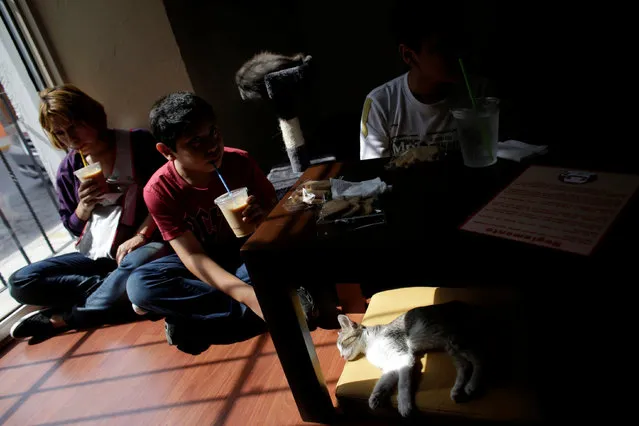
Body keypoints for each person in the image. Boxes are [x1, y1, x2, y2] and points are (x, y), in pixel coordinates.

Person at [126, 92, 318, 355]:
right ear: (167, 151)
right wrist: (247, 296)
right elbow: (192, 256)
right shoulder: (159, 191)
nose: (212, 146)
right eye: (195, 141)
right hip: (203, 263)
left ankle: (192, 326)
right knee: (141, 285)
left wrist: (264, 217)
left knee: (283, 259)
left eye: (213, 132)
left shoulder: (239, 161)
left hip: (245, 254)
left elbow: (278, 217)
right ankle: (280, 304)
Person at [8, 84, 167, 340]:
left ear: (92, 117)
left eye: (73, 127)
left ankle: (64, 318)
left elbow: (168, 197)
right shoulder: (68, 169)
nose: (69, 139)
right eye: (59, 133)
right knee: (20, 281)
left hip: (146, 244)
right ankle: (115, 290)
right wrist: (83, 207)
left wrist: (142, 235)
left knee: (135, 264)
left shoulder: (137, 143)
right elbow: (71, 226)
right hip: (98, 256)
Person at [360, 1, 491, 160]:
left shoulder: (479, 94)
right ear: (408, 55)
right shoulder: (382, 103)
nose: (458, 54)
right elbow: (376, 176)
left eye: (460, 42)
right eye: (443, 47)